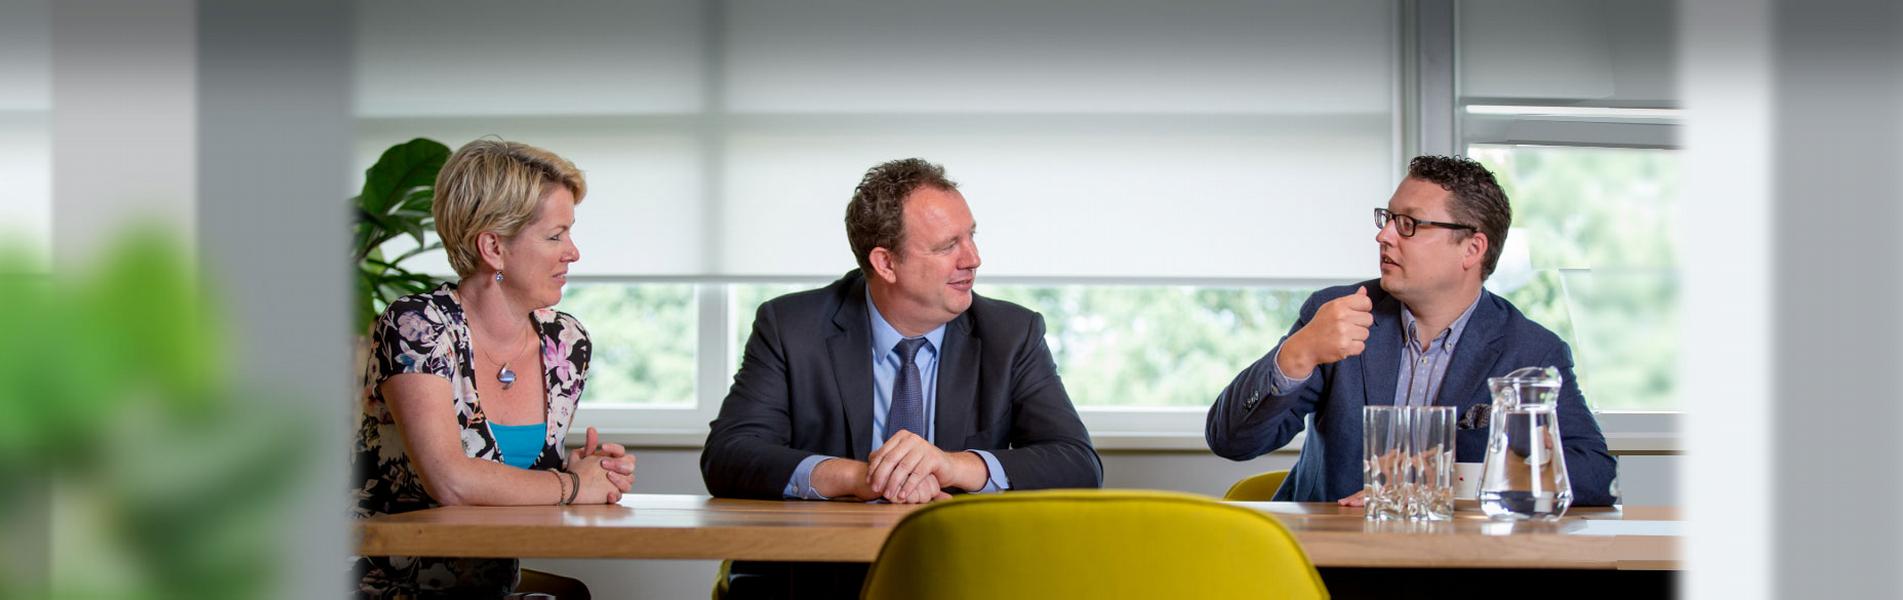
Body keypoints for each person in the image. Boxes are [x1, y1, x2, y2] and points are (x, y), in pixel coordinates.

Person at [701, 158, 1101, 598]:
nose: (973, 258)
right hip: (815, 579)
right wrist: (861, 478)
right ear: (886, 263)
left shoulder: (1012, 333)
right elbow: (729, 456)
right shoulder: (791, 326)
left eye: (971, 235)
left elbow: (1077, 462)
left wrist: (952, 464)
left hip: (958, 575)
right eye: (949, 245)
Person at [1205, 155, 1617, 507]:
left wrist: (1440, 490)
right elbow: (1231, 442)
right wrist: (1296, 355)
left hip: (1460, 568)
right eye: (1388, 219)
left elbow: (1596, 474)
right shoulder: (1337, 313)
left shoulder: (1531, 350)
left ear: (1472, 249)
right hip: (1330, 562)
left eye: (1409, 224)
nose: (1383, 235)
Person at [352, 139, 635, 599]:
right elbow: (452, 480)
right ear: (493, 248)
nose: (573, 253)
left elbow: (510, 476)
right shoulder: (417, 326)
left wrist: (580, 469)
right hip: (383, 587)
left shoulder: (565, 343)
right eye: (555, 235)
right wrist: (570, 484)